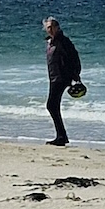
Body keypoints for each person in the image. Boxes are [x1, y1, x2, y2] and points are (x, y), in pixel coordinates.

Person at [42, 16, 82, 146]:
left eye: (52, 27)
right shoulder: (50, 42)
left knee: (51, 105)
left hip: (62, 78)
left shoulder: (63, 41)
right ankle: (61, 136)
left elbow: (74, 58)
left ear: (58, 27)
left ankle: (61, 136)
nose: (50, 29)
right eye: (48, 27)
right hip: (54, 78)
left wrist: (75, 75)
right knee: (53, 106)